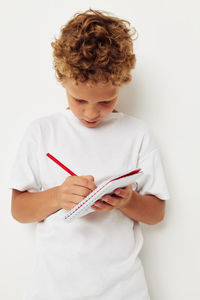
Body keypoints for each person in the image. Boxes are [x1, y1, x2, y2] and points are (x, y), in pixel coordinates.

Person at [8, 8, 170, 300]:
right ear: (62, 79)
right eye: (79, 99)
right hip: (54, 290)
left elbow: (157, 213)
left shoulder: (137, 134)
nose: (91, 113)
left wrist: (129, 201)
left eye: (106, 101)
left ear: (121, 84)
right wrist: (58, 196)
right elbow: (19, 210)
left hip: (123, 290)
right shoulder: (42, 132)